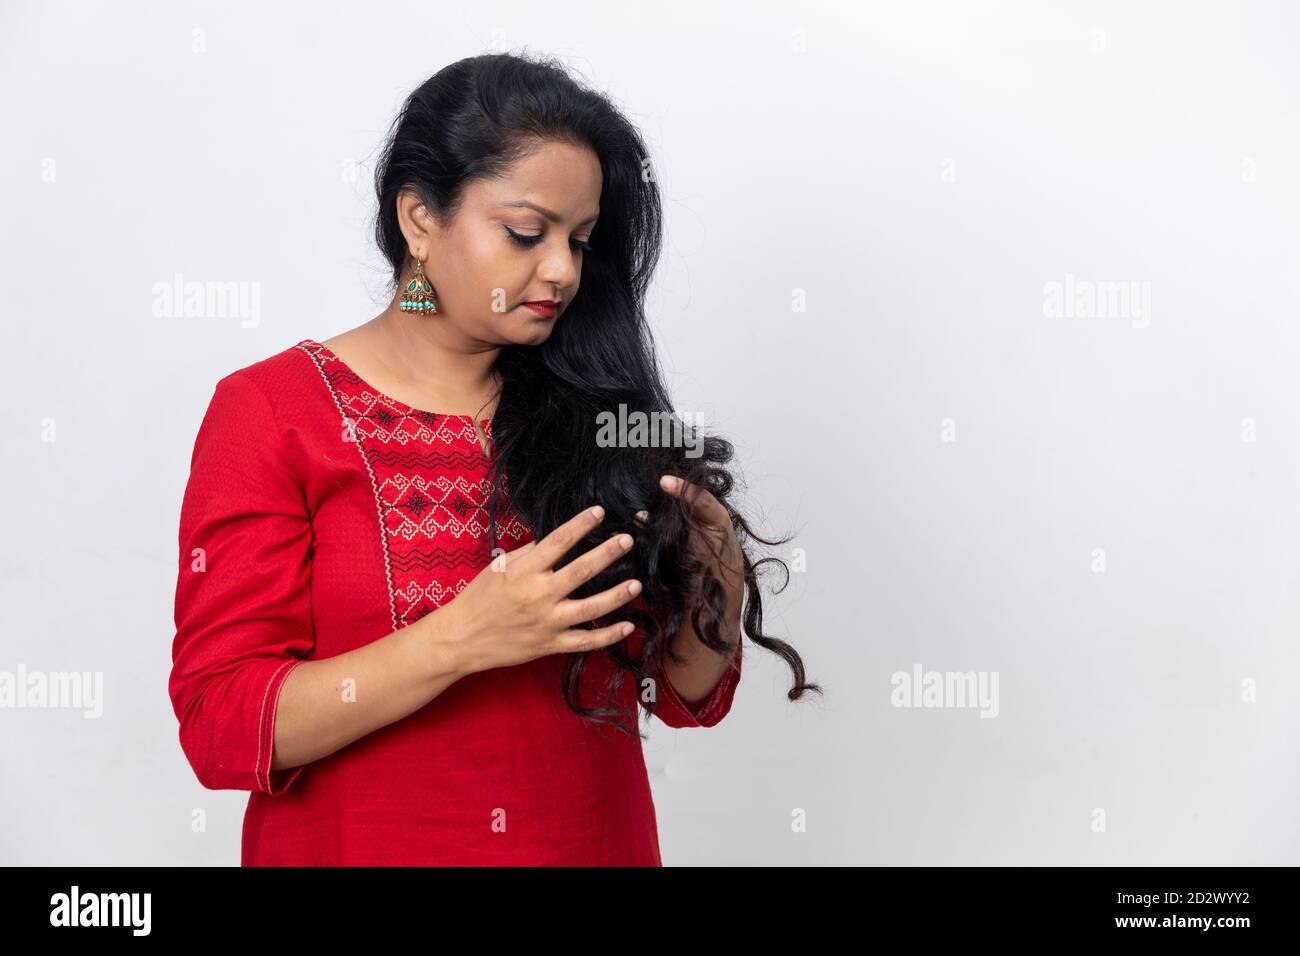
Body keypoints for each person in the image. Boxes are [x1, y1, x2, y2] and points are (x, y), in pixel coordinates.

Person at [169, 51, 819, 866]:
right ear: (420, 219)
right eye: (525, 232)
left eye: (580, 241)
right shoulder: (273, 412)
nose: (561, 270)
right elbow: (222, 723)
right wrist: (462, 638)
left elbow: (682, 693)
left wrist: (717, 563)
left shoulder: (594, 418)